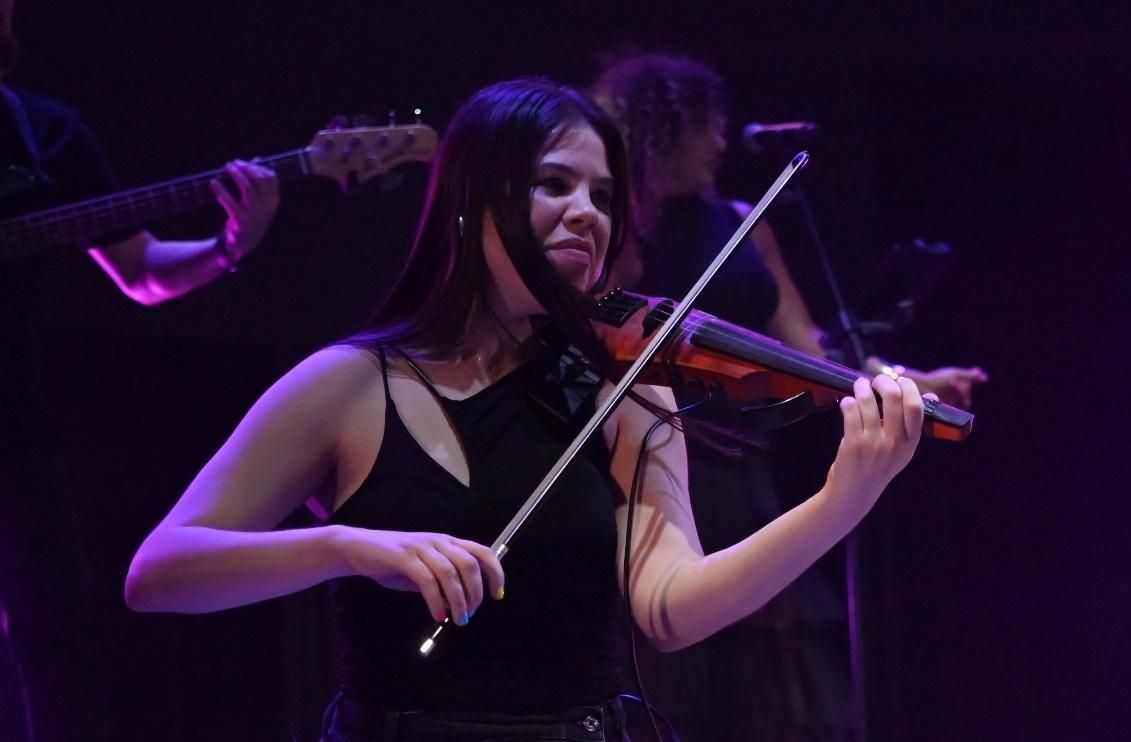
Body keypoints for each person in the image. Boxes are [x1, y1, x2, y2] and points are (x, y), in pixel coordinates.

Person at [123, 78, 927, 742]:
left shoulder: (625, 384)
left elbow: (669, 607)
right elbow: (160, 573)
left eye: (603, 194)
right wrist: (345, 545)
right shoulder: (346, 383)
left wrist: (839, 500)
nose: (588, 212)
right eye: (553, 184)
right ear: (474, 200)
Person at [590, 53, 984, 741]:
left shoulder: (744, 221)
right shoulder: (612, 231)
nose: (719, 141)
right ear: (657, 130)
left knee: (770, 705)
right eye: (703, 126)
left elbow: (806, 354)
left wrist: (911, 382)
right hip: (649, 462)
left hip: (741, 476)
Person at [0, 2, 280, 739]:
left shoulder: (45, 134)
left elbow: (142, 273)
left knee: (53, 641)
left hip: (11, 430)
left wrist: (229, 247)